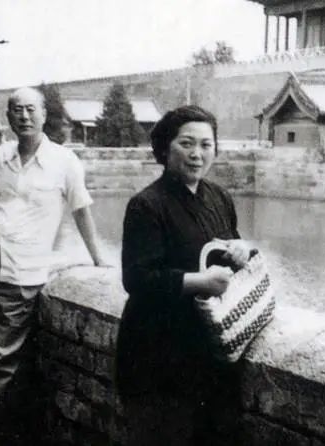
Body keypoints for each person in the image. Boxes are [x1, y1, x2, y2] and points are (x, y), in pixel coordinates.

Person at [0, 87, 107, 446]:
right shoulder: (2, 155)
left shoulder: (64, 162)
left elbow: (81, 210)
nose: (24, 116)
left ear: (44, 114)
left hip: (23, 265)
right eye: (16, 110)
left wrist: (97, 258)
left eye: (31, 109)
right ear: (8, 117)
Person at [115, 105, 252, 445]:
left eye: (206, 145)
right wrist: (200, 283)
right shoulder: (147, 205)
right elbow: (137, 279)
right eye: (187, 144)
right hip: (156, 353)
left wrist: (241, 249)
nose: (197, 154)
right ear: (165, 148)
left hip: (208, 350)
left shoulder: (219, 197)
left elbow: (228, 250)